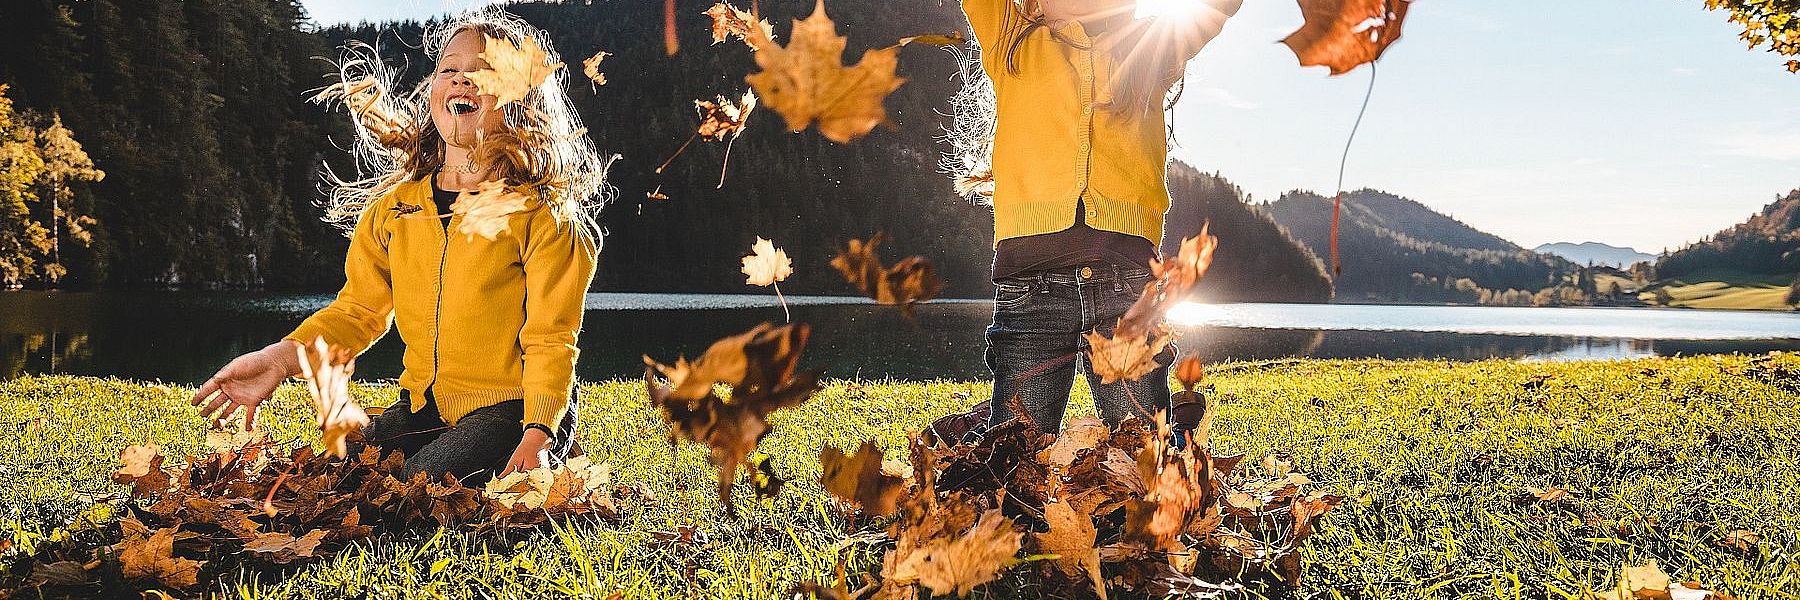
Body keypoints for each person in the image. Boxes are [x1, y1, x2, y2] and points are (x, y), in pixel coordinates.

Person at [189, 8, 609, 484]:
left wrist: (539, 433)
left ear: (520, 99)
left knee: (411, 489)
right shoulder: (397, 208)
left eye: (482, 72)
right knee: (334, 473)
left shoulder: (542, 215)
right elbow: (357, 312)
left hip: (513, 411)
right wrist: (278, 358)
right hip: (425, 408)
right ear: (433, 90)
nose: (462, 81)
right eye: (449, 70)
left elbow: (551, 337)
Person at [942, 0, 1237, 440]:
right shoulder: (1012, 37)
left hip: (1128, 291)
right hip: (1031, 295)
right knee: (1016, 450)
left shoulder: (1151, 47)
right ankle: (978, 429)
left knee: (1144, 453)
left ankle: (1179, 431)